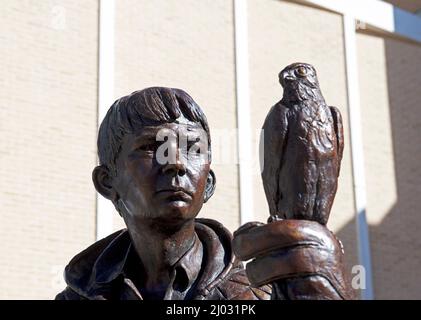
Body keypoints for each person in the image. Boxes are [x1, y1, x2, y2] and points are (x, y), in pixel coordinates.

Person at [56, 87, 354, 300]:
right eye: (151, 147)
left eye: (192, 148)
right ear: (107, 182)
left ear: (208, 184)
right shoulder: (77, 297)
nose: (174, 163)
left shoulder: (261, 291)